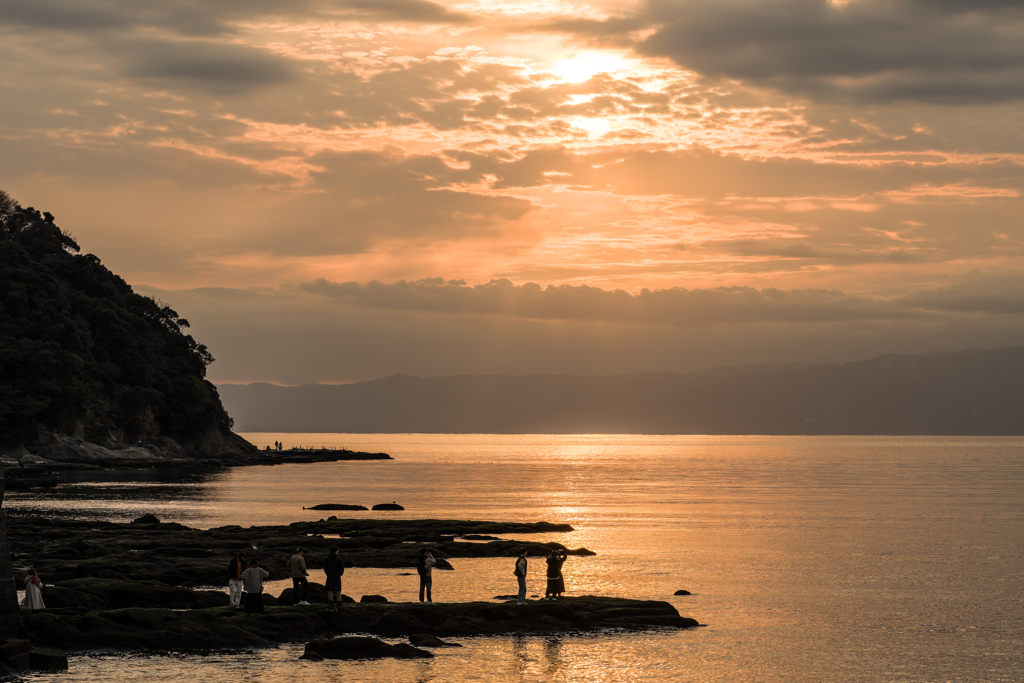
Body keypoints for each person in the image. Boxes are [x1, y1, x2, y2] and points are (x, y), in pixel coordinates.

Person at [324, 545, 345, 611]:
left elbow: (325, 568)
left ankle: (330, 600)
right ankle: (339, 601)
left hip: (329, 575)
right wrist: (340, 574)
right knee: (338, 588)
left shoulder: (327, 559)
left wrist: (328, 574)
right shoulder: (339, 559)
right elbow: (341, 568)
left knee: (330, 588)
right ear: (336, 551)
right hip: (337, 575)